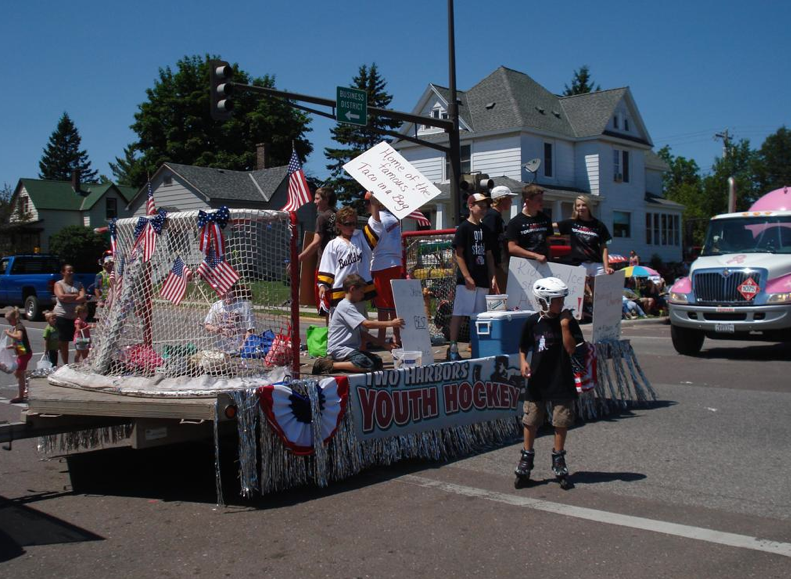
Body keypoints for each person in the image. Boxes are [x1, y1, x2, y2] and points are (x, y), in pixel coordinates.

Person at [514, 277, 581, 489]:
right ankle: (526, 457)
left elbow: (571, 349)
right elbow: (523, 346)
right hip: (538, 380)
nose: (561, 304)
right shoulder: (533, 322)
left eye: (562, 299)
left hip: (561, 378)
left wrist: (564, 325)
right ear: (543, 301)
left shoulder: (568, 321)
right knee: (531, 419)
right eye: (556, 300)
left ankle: (559, 457)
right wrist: (523, 362)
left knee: (561, 421)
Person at [312, 274, 405, 375]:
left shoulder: (352, 307)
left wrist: (384, 344)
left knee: (377, 361)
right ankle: (329, 365)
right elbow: (367, 324)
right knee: (366, 364)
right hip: (340, 349)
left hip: (350, 349)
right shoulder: (345, 306)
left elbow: (362, 333)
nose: (362, 296)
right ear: (352, 289)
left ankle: (345, 364)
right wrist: (392, 323)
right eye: (361, 292)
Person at [448, 193, 497, 361]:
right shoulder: (463, 228)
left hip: (482, 277)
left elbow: (489, 254)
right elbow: (458, 254)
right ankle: (452, 346)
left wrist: (493, 277)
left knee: (480, 315)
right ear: (470, 206)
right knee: (460, 313)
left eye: (485, 206)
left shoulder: (485, 229)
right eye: (479, 206)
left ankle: (476, 345)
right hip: (467, 280)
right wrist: (467, 276)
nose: (483, 209)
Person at [317, 206, 376, 317]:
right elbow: (327, 266)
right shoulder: (333, 244)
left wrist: (374, 205)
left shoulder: (360, 238)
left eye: (354, 223)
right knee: (340, 326)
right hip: (340, 291)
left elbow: (376, 226)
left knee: (361, 326)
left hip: (359, 290)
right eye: (348, 224)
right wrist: (323, 285)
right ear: (339, 225)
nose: (352, 227)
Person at [364, 192, 403, 347]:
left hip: (382, 264)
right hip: (396, 263)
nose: (365, 206)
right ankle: (397, 337)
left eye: (367, 203)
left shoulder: (375, 218)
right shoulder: (394, 218)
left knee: (382, 304)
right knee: (393, 304)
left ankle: (381, 339)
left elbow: (371, 240)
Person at [298, 187, 337, 320]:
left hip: (325, 267)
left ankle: (329, 337)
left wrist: (298, 258)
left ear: (326, 199)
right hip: (341, 266)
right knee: (337, 303)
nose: (314, 202)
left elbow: (316, 243)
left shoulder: (322, 218)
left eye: (317, 198)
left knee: (325, 304)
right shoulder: (340, 216)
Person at [556, 195, 614, 278]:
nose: (581, 207)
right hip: (579, 264)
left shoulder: (599, 225)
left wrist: (606, 266)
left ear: (589, 207)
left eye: (584, 205)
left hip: (597, 265)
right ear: (575, 208)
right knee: (583, 290)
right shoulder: (570, 223)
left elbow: (604, 247)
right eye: (578, 205)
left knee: (601, 290)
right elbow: (550, 226)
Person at [483, 185, 518, 292]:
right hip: (496, 262)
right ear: (501, 199)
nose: (511, 202)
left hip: (497, 261)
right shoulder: (492, 216)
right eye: (509, 199)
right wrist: (496, 261)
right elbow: (490, 239)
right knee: (500, 289)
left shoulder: (495, 215)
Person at [507, 184, 552, 264]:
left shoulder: (546, 219)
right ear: (528, 201)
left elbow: (548, 242)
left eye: (542, 199)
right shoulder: (515, 222)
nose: (542, 202)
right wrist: (535, 256)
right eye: (538, 200)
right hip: (524, 266)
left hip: (544, 264)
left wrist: (551, 260)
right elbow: (512, 247)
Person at [204, 284, 256, 353]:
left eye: (228, 292)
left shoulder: (244, 305)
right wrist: (214, 328)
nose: (226, 295)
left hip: (238, 349)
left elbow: (251, 329)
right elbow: (207, 325)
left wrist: (244, 345)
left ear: (234, 291)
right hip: (220, 348)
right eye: (223, 293)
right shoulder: (216, 305)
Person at [53, 263, 87, 365]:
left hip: (77, 318)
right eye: (68, 271)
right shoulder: (58, 284)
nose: (71, 273)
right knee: (64, 343)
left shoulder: (78, 284)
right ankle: (66, 364)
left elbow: (83, 297)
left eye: (72, 271)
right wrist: (75, 296)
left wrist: (70, 297)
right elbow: (61, 297)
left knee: (81, 340)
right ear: (63, 272)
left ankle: (81, 363)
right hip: (62, 316)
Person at [5, 307, 32, 404]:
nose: (8, 322)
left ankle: (20, 395)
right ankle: (24, 390)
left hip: (24, 354)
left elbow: (19, 337)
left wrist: (9, 334)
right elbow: (18, 343)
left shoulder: (19, 326)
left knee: (18, 373)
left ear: (14, 318)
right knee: (19, 373)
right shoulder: (16, 327)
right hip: (22, 353)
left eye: (9, 320)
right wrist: (10, 346)